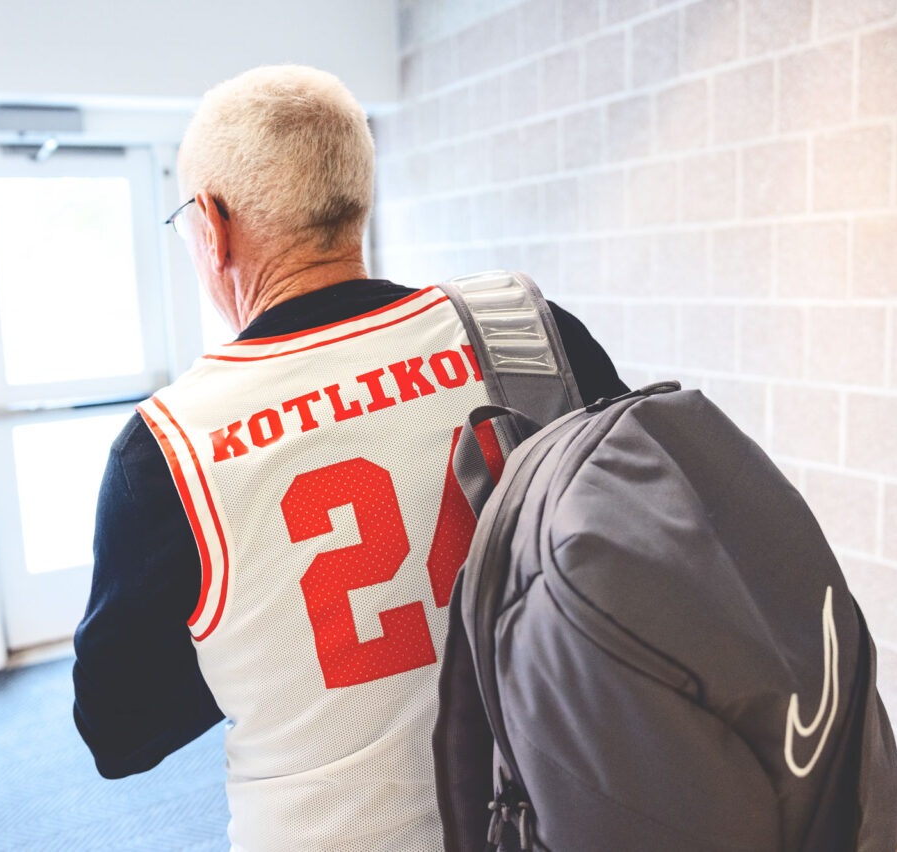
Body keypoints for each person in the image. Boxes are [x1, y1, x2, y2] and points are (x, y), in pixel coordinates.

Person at [72, 64, 627, 851]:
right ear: (354, 196)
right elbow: (632, 550)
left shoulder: (166, 449)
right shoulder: (528, 331)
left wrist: (273, 637)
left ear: (212, 225)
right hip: (564, 813)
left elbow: (118, 734)